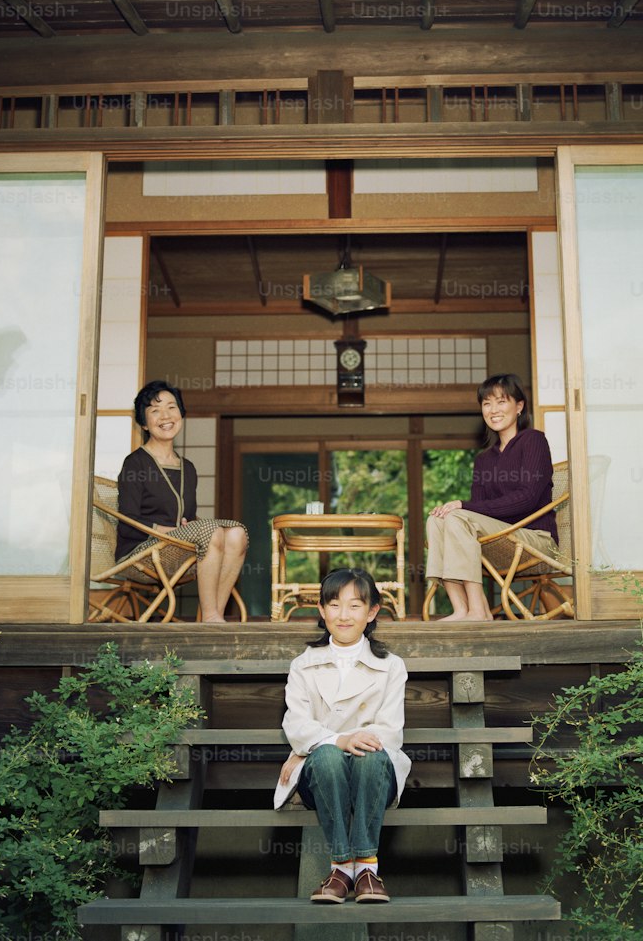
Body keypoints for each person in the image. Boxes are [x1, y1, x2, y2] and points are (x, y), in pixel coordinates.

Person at [274, 568, 410, 905]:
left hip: (373, 772)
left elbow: (389, 730)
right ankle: (348, 867)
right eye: (334, 605)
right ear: (321, 611)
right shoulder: (303, 665)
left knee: (371, 755)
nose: (343, 615)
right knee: (329, 756)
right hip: (323, 772)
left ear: (372, 612)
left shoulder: (392, 666)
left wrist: (343, 740)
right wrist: (338, 741)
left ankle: (360, 867)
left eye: (354, 606)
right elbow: (297, 725)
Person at [425, 372, 557, 621]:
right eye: (487, 403)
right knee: (437, 520)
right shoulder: (484, 459)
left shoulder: (533, 441)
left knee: (457, 516)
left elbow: (528, 498)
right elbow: (477, 509)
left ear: (519, 406)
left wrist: (462, 506)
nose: (493, 409)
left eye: (501, 401)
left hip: (535, 540)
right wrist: (458, 509)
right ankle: (462, 608)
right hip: (499, 538)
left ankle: (478, 610)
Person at [116, 379, 249, 623]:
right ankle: (210, 617)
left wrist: (188, 528)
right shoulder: (135, 463)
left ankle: (214, 616)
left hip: (179, 549)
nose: (165, 416)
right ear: (144, 423)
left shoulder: (188, 468)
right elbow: (127, 521)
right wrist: (170, 530)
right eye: (155, 411)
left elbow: (188, 518)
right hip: (144, 552)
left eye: (171, 407)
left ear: (181, 413)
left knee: (237, 532)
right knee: (212, 530)